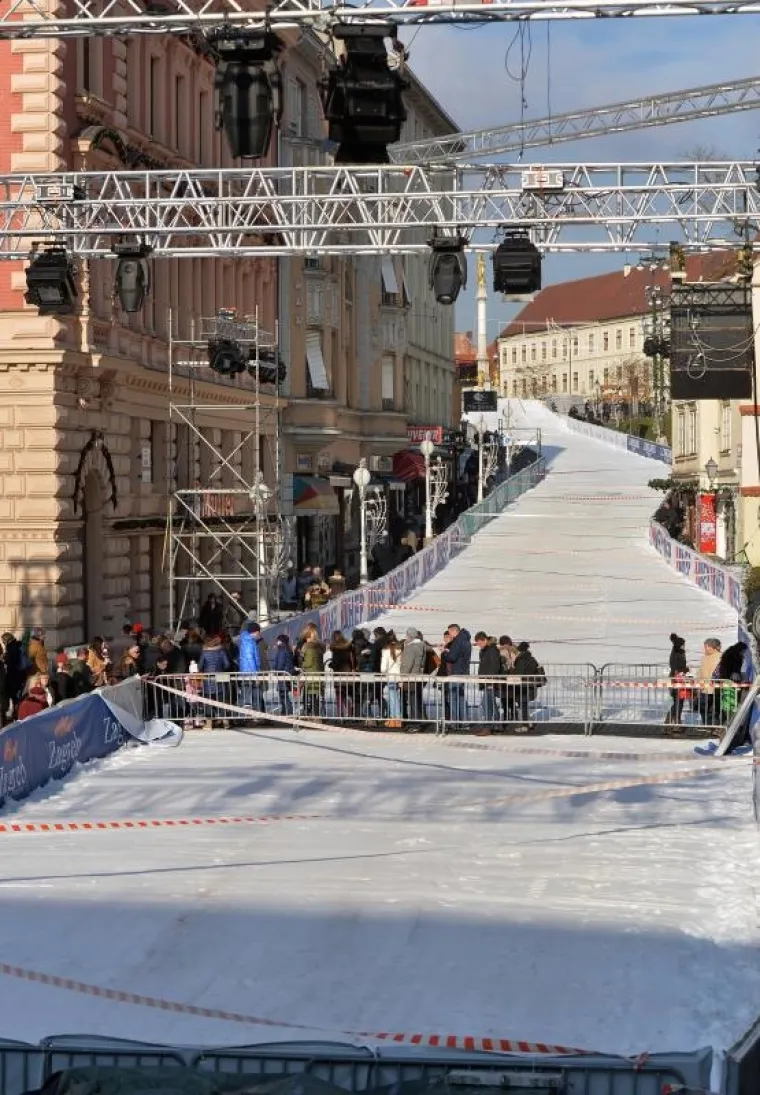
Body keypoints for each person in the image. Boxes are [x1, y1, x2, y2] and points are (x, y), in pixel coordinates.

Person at [442, 623, 472, 729]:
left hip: (456, 672)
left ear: (454, 630)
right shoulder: (466, 639)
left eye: (450, 632)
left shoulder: (458, 641)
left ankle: (455, 722)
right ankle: (463, 721)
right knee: (461, 697)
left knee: (454, 698)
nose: (450, 635)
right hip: (463, 671)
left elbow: (452, 657)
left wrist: (445, 654)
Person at [474, 632, 503, 736]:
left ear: (484, 640)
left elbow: (495, 667)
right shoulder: (486, 650)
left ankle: (488, 726)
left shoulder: (491, 650)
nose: (478, 645)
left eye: (479, 643)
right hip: (486, 681)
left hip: (489, 682)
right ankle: (496, 724)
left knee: (486, 704)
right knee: (490, 703)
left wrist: (491, 681)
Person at [512, 641, 542, 731]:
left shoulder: (521, 660)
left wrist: (512, 671)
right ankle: (528, 723)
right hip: (530, 686)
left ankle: (525, 725)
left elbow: (519, 674)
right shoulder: (532, 659)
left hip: (523, 687)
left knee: (523, 705)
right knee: (524, 705)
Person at [400, 627, 426, 731]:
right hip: (418, 676)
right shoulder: (421, 645)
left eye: (407, 635)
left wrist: (402, 677)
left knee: (413, 700)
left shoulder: (411, 647)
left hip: (410, 678)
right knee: (417, 700)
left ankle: (415, 724)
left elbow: (407, 665)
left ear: (410, 636)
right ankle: (418, 721)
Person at [299, 623, 325, 718]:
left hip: (309, 673)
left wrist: (302, 666)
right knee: (316, 696)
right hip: (319, 673)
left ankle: (309, 713)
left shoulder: (306, 647)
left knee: (309, 694)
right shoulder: (320, 646)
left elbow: (307, 662)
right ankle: (316, 714)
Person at [696, 637, 722, 728]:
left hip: (714, 688)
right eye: (705, 646)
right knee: (703, 708)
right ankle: (706, 725)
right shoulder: (703, 658)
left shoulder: (720, 657)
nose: (705, 648)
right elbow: (700, 671)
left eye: (707, 646)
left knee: (713, 709)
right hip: (704, 688)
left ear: (713, 647)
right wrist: (698, 682)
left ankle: (712, 726)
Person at [330, 630, 355, 719]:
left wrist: (331, 665)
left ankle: (340, 715)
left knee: (339, 695)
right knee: (347, 695)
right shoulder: (349, 647)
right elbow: (352, 660)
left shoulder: (335, 649)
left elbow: (336, 663)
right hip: (348, 673)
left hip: (339, 674)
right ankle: (350, 713)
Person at [665, 632, 689, 727]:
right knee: (678, 701)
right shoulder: (678, 653)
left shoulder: (676, 652)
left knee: (678, 701)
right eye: (683, 644)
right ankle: (674, 721)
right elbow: (675, 666)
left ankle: (674, 721)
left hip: (677, 678)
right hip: (676, 679)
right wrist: (684, 669)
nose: (684, 646)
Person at [381, 631, 403, 728]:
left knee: (392, 698)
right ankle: (396, 719)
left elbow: (383, 668)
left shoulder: (386, 651)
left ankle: (394, 719)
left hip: (390, 676)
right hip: (400, 676)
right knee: (396, 698)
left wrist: (383, 673)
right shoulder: (401, 649)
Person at [270, 634, 296, 717]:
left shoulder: (282, 650)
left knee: (283, 694)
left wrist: (276, 671)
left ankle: (288, 710)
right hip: (286, 674)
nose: (277, 642)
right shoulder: (288, 649)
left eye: (278, 640)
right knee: (284, 694)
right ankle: (285, 710)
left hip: (283, 675)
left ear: (281, 641)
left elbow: (280, 663)